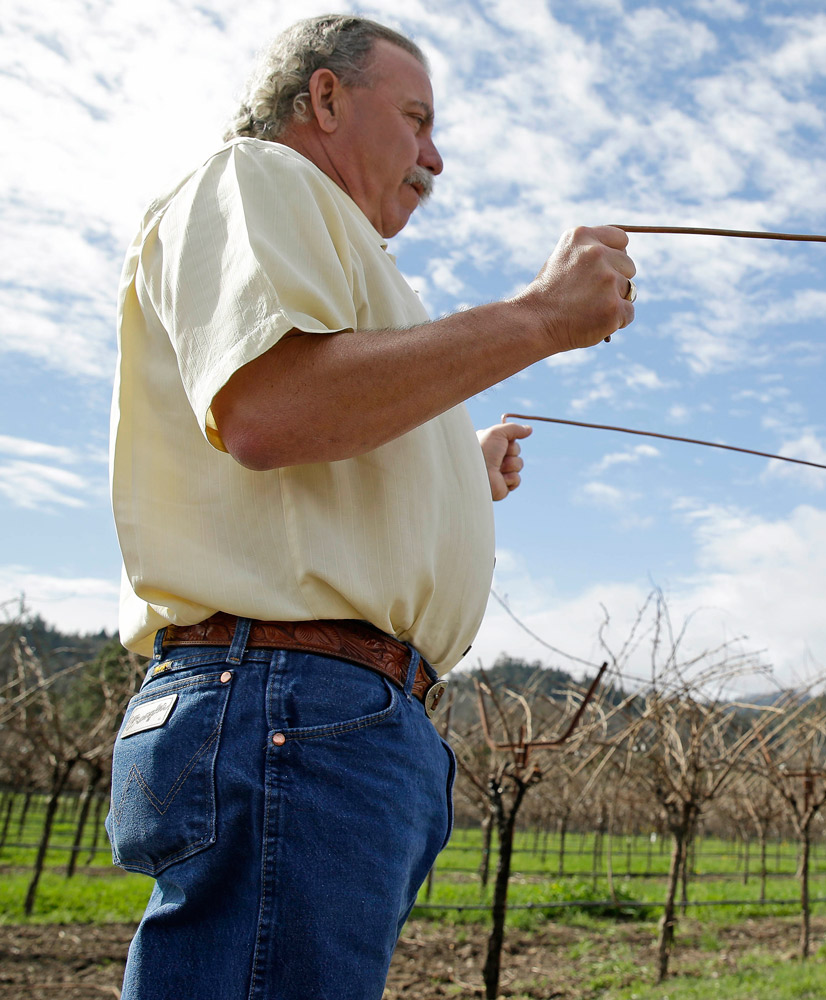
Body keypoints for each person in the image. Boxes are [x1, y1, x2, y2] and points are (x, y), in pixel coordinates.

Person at [105, 14, 635, 999]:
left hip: (318, 714)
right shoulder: (257, 179)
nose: (436, 157)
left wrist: (454, 469)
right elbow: (272, 404)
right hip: (289, 703)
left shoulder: (333, 248)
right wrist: (537, 320)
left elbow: (316, 432)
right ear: (325, 98)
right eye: (418, 119)